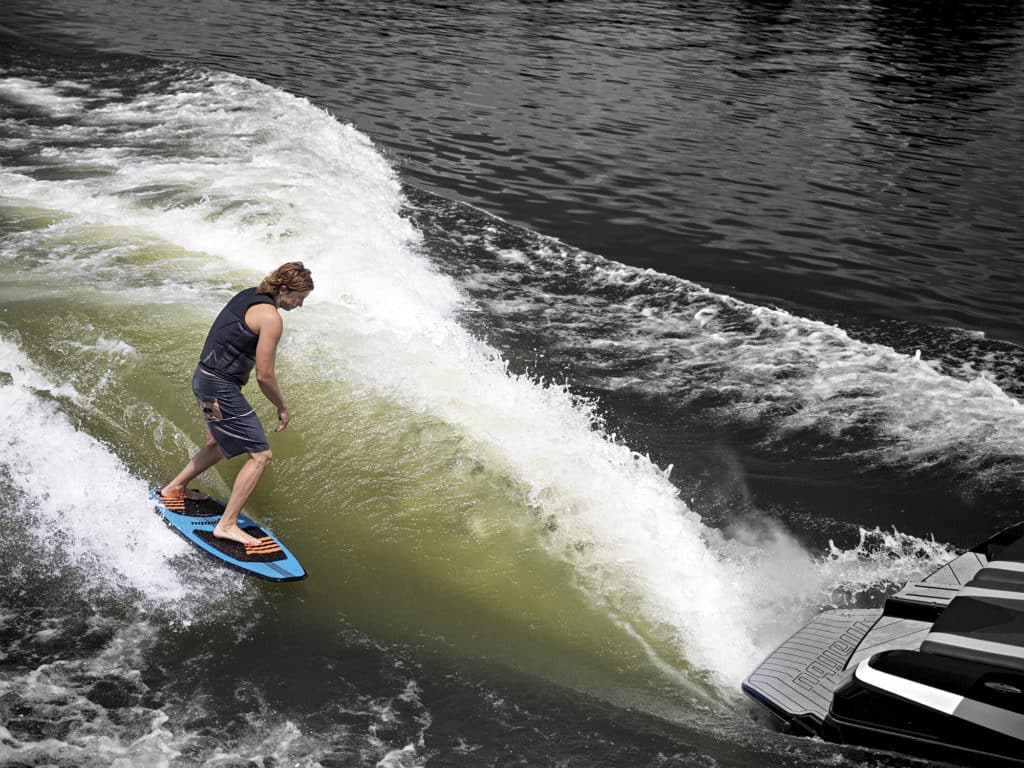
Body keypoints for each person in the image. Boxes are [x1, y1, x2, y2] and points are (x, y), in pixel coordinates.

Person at [159, 261, 313, 553]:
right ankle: (227, 525)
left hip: (204, 379)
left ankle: (173, 488)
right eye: (299, 298)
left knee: (216, 443)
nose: (300, 305)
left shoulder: (249, 295)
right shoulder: (271, 318)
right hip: (220, 388)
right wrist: (282, 406)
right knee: (261, 455)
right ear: (284, 290)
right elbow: (264, 375)